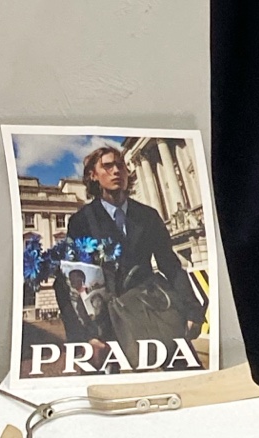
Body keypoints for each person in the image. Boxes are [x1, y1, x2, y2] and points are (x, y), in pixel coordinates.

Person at [66, 146, 204, 354]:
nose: (116, 171)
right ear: (93, 175)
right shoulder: (81, 221)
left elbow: (170, 265)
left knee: (184, 366)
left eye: (120, 165)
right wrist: (85, 337)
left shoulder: (148, 215)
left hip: (153, 309)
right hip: (108, 324)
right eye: (107, 166)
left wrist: (193, 311)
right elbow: (71, 280)